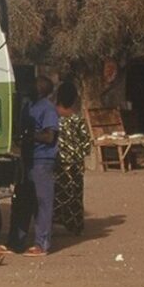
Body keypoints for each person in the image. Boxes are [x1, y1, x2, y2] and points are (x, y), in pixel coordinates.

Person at [0, 74, 59, 257]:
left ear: (42, 89)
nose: (29, 86)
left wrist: (29, 136)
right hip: (27, 160)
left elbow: (50, 136)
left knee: (42, 203)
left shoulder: (48, 109)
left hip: (42, 160)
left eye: (35, 84)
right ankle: (15, 243)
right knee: (21, 201)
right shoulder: (28, 106)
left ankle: (42, 245)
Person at [53, 80, 91, 237]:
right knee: (75, 193)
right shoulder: (77, 118)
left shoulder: (52, 117)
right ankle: (75, 225)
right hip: (75, 162)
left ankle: (56, 221)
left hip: (57, 161)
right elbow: (85, 141)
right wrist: (83, 154)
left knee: (57, 192)